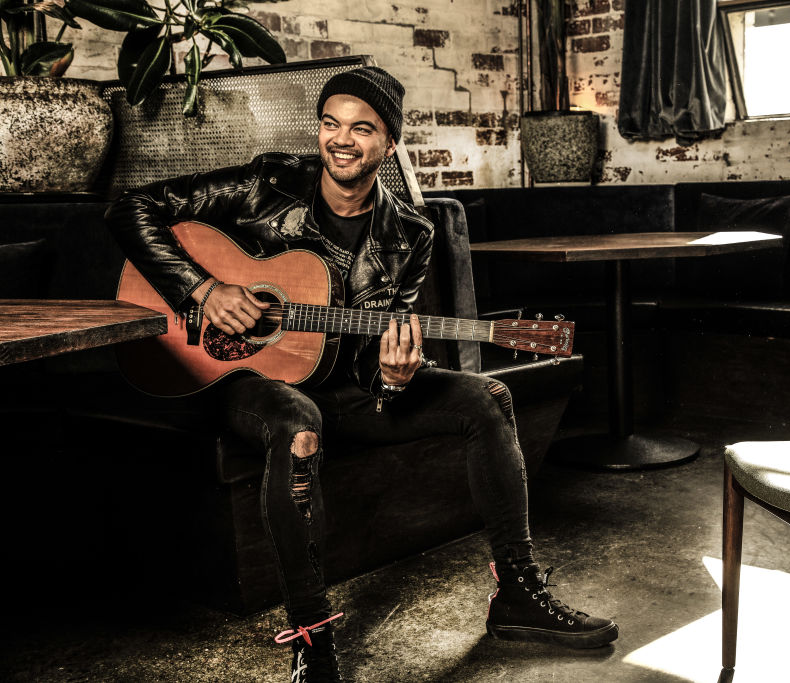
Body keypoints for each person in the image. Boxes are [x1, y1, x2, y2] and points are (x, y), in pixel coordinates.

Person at [106, 66, 618, 682]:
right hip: (241, 378)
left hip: (345, 389)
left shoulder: (409, 234)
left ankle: (518, 592)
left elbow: (384, 354)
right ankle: (313, 639)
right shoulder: (269, 183)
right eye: (330, 124)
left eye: (361, 128)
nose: (341, 140)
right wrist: (205, 286)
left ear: (388, 144)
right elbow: (131, 209)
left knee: (490, 397)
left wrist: (396, 380)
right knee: (298, 421)